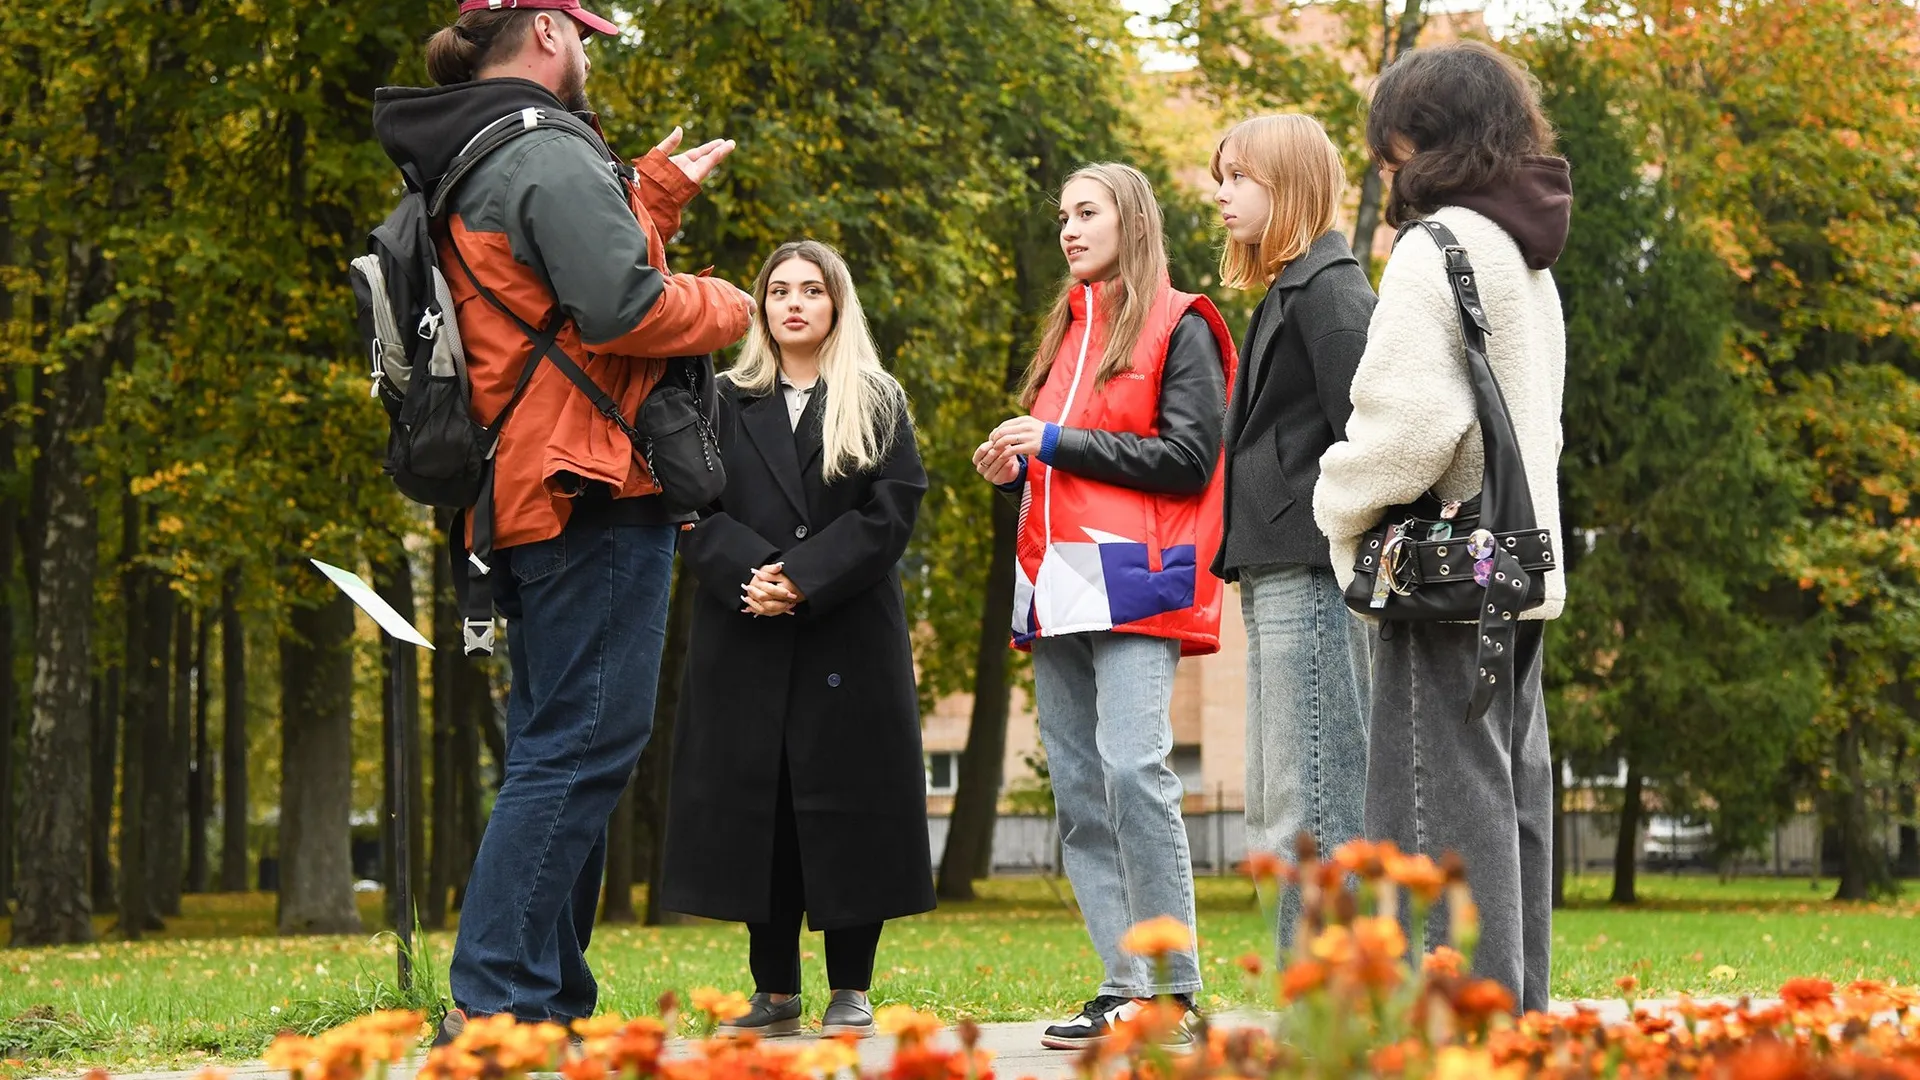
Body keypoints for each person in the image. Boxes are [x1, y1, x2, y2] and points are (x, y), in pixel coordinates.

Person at [375, 0, 754, 1040]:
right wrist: (730, 303)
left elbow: (555, 299)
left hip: (525, 488)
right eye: (582, 33)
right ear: (546, 29)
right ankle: (492, 999)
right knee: (582, 744)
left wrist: (651, 199)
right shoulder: (542, 148)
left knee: (559, 742)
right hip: (588, 485)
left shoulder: (477, 149)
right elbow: (624, 311)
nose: (586, 53)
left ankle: (543, 1002)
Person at [1312, 41, 1571, 1012]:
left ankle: (1458, 1036)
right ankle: (1513, 1025)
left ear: (1420, 137)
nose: (1386, 164)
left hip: (1449, 578)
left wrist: (1336, 509)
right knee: (1507, 805)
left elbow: (1407, 429)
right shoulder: (1524, 255)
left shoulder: (1440, 248)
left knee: (1434, 816)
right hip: (1521, 568)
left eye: (1391, 143)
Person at [974, 163, 1236, 1050]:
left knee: (1135, 772)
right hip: (1056, 583)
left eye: (1087, 213)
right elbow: (1061, 475)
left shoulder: (1181, 322)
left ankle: (1174, 989)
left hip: (1135, 575)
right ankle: (1123, 983)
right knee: (1082, 792)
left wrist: (1056, 441)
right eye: (1063, 217)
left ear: (1133, 218)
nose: (1070, 229)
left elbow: (1191, 459)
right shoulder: (1065, 334)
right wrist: (1018, 469)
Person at [663, 240, 933, 1040]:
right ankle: (773, 990)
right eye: (778, 290)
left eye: (810, 291)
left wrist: (804, 578)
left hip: (847, 634)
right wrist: (758, 575)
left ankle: (851, 986)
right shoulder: (720, 399)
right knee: (763, 809)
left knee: (850, 806)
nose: (793, 304)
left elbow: (893, 512)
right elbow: (688, 509)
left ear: (836, 305)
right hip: (746, 628)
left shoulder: (877, 399)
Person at [1209, 115, 1376, 950]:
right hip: (1279, 563)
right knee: (1283, 800)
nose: (1222, 194)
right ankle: (1311, 999)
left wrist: (1325, 524)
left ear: (1290, 182)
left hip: (1314, 566)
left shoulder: (1333, 291)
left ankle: (1333, 1007)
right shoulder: (1292, 287)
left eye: (1239, 176)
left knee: (1313, 795)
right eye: (1221, 178)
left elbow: (1372, 437)